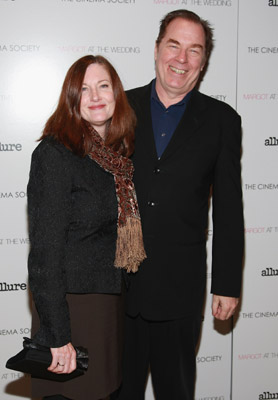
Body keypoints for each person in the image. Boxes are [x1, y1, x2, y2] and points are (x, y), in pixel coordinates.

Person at [115, 9, 244, 400]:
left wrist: (226, 284)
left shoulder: (223, 121)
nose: (181, 59)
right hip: (118, 285)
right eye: (174, 45)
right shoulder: (119, 108)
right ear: (157, 50)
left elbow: (229, 208)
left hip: (179, 290)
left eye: (194, 50)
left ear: (203, 62)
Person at [27, 55, 146, 400]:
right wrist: (56, 334)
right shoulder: (55, 154)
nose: (95, 95)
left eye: (103, 86)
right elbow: (45, 254)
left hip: (107, 307)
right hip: (71, 310)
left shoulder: (117, 159)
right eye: (83, 89)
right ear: (71, 99)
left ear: (116, 94)